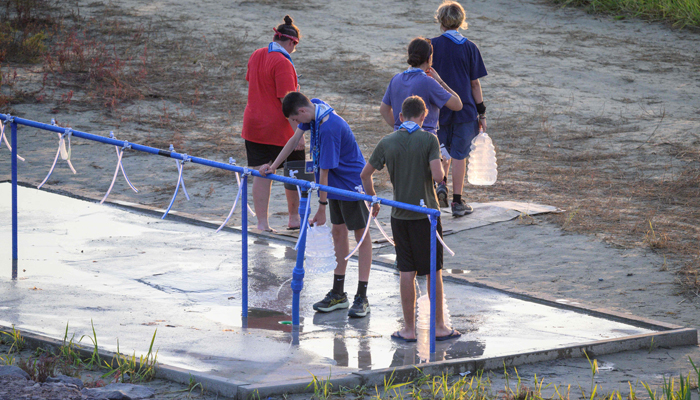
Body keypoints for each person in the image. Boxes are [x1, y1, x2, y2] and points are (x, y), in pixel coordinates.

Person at [259, 92, 373, 318]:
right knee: (338, 232)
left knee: (362, 237)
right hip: (333, 183)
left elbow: (323, 171)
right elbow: (293, 141)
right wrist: (274, 165)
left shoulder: (329, 128)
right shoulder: (315, 109)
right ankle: (339, 293)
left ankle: (362, 295)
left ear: (302, 112)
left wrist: (321, 208)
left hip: (350, 183)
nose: (297, 125)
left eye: (296, 120)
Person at [361, 96, 460, 342]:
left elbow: (365, 174)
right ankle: (438, 326)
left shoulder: (387, 141)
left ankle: (408, 329)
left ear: (401, 117)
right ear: (424, 117)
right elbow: (437, 177)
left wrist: (373, 199)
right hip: (426, 216)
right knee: (433, 270)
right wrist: (445, 167)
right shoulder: (429, 139)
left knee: (406, 270)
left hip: (399, 215)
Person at [379, 37, 463, 214]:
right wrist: (440, 81)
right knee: (426, 189)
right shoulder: (428, 81)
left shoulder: (396, 79)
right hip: (425, 140)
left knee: (403, 187)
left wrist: (397, 126)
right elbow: (457, 104)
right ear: (429, 58)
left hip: (399, 138)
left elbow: (384, 108)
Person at [241, 15, 305, 232]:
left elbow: (252, 82)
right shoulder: (283, 62)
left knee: (262, 173)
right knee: (295, 171)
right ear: (291, 42)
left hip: (253, 125)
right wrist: (299, 133)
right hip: (279, 128)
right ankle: (294, 218)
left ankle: (262, 223)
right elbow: (288, 103)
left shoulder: (257, 54)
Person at [431, 1, 488, 216]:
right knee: (459, 155)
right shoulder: (470, 47)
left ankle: (440, 185)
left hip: (439, 109)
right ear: (461, 21)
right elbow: (475, 83)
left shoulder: (431, 45)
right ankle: (457, 202)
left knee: (442, 151)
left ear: (440, 21)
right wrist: (481, 112)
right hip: (465, 110)